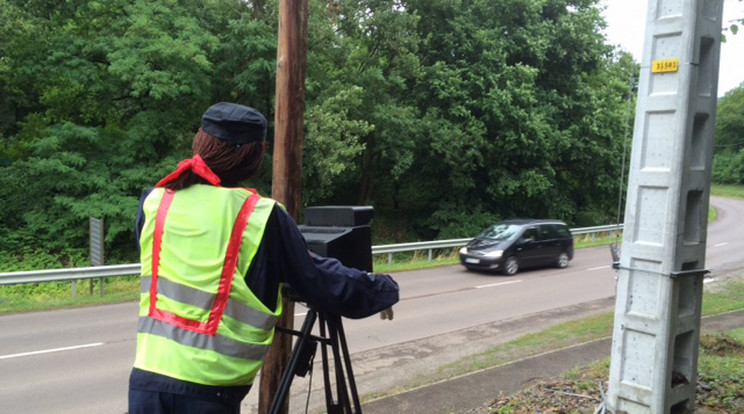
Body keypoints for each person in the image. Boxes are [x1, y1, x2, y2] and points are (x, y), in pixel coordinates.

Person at [128, 102, 399, 414]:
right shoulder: (260, 215)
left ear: (200, 143)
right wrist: (378, 288)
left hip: (146, 382)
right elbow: (316, 279)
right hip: (209, 392)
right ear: (253, 157)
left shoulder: (155, 201)